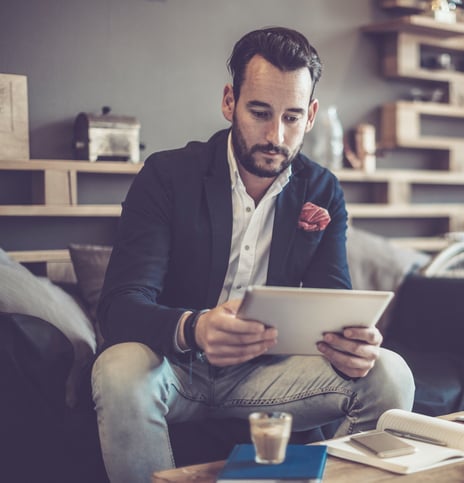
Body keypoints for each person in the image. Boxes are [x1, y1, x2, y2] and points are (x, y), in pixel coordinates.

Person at [91, 26, 415, 483]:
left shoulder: (322, 189)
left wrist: (351, 344)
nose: (275, 136)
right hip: (173, 369)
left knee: (391, 373)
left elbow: (332, 300)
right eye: (259, 112)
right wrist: (196, 327)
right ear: (230, 102)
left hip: (266, 375)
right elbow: (120, 307)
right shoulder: (166, 176)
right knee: (117, 367)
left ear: (311, 115)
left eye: (291, 118)